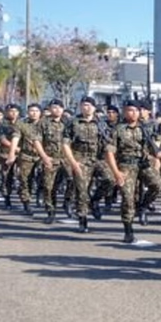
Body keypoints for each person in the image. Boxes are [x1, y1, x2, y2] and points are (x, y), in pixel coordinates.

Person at [104, 100, 161, 243]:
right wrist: (116, 172)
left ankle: (143, 207)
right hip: (125, 165)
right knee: (128, 197)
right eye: (130, 110)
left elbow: (155, 147)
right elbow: (109, 152)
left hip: (143, 163)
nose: (134, 113)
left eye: (137, 110)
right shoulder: (118, 129)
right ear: (125, 112)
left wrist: (157, 155)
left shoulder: (145, 128)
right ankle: (128, 229)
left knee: (158, 184)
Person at [62, 97, 105, 234]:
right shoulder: (73, 123)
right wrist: (73, 162)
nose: (86, 108)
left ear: (94, 107)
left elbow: (108, 143)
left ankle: (95, 201)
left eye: (89, 105)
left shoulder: (100, 123)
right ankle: (83, 219)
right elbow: (65, 144)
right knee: (81, 190)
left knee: (110, 180)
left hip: (97, 159)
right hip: (80, 159)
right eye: (84, 105)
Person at [34, 99, 69, 223]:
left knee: (74, 182)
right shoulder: (43, 123)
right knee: (49, 187)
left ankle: (68, 203)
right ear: (49, 109)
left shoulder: (68, 122)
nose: (57, 110)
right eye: (54, 107)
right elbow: (37, 141)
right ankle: (51, 211)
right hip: (50, 158)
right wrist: (44, 157)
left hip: (66, 159)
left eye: (60, 107)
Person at [9, 103, 43, 216]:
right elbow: (15, 138)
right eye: (31, 111)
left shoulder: (45, 124)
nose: (34, 113)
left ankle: (40, 196)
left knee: (43, 180)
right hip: (26, 156)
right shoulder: (21, 124)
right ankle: (26, 202)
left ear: (40, 112)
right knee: (25, 180)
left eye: (36, 111)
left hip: (42, 156)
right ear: (28, 112)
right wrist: (12, 153)